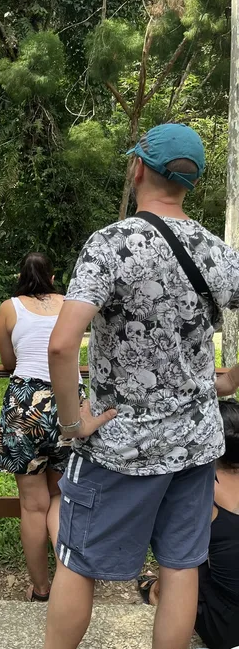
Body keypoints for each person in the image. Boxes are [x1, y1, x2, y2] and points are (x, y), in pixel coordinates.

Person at [43, 123, 239, 649]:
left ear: (137, 169)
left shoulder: (111, 244)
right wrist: (234, 377)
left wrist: (73, 422)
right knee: (181, 566)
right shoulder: (218, 252)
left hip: (119, 444)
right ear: (190, 182)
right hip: (196, 443)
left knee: (77, 563)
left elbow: (62, 345)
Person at [0, 253, 83, 602]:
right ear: (53, 276)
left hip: (25, 402)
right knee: (60, 496)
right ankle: (69, 583)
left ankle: (41, 588)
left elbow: (7, 361)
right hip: (67, 400)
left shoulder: (8, 307)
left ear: (20, 275)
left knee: (32, 506)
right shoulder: (70, 304)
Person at [137, 399, 239, 649]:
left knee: (186, 557)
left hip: (228, 629)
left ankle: (154, 591)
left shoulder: (203, 486)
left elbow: (179, 553)